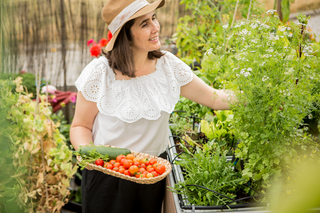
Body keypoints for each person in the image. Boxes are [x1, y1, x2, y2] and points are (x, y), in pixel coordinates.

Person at [70, 0, 236, 212]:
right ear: (125, 34)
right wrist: (94, 157)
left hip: (151, 176)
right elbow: (80, 127)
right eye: (144, 24)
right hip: (108, 179)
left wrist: (256, 97)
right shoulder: (100, 73)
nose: (155, 27)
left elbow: (214, 98)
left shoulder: (168, 66)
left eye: (154, 18)